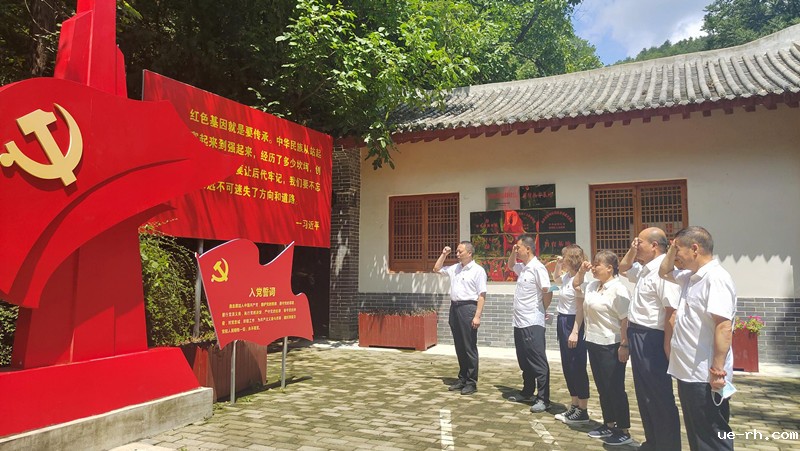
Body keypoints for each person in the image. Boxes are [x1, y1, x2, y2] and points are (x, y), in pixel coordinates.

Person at [659, 226, 736, 451]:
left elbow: (723, 326)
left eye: (678, 250)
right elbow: (663, 272)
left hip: (705, 375)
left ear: (695, 248)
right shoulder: (689, 277)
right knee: (697, 434)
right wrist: (672, 248)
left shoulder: (716, 278)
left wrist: (718, 371)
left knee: (712, 437)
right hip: (688, 372)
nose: (676, 256)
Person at [618, 228, 682, 451]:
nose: (636, 246)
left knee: (659, 395)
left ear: (654, 246)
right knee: (644, 393)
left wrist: (667, 344)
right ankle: (652, 442)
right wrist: (632, 249)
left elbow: (671, 311)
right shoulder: (645, 269)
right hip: (638, 334)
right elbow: (623, 268)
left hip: (653, 337)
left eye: (640, 242)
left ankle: (667, 445)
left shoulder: (664, 271)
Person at [574, 250, 634, 446]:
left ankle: (623, 429)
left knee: (615, 387)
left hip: (612, 344)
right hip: (593, 341)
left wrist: (624, 344)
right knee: (602, 386)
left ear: (609, 268)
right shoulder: (593, 285)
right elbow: (575, 285)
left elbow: (625, 319)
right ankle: (608, 423)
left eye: (597, 264)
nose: (593, 267)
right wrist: (582, 271)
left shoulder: (618, 289)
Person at [505, 235, 552, 413]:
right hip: (519, 322)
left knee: (537, 360)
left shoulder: (538, 268)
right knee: (524, 359)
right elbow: (510, 266)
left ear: (528, 249)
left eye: (518, 247)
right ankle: (527, 391)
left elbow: (547, 291)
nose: (516, 250)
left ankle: (543, 398)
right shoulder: (523, 268)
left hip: (532, 322)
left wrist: (542, 310)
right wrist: (512, 252)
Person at [434, 241, 488, 395]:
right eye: (456, 251)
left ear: (469, 253)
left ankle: (471, 382)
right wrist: (444, 254)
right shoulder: (455, 268)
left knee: (469, 347)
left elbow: (482, 295)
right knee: (459, 346)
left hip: (468, 308)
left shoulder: (478, 271)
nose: (457, 254)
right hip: (455, 308)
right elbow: (436, 269)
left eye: (460, 252)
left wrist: (477, 316)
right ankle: (462, 378)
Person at [551, 244, 591, 424]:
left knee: (577, 365)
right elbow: (556, 278)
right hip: (562, 320)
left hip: (574, 322)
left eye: (565, 257)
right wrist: (558, 265)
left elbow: (580, 309)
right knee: (567, 365)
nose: (562, 259)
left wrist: (575, 331)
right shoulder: (567, 276)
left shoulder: (580, 279)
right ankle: (574, 404)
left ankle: (583, 409)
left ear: (572, 259)